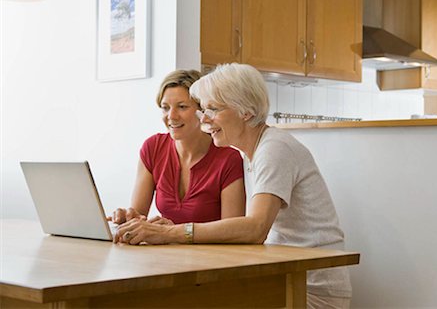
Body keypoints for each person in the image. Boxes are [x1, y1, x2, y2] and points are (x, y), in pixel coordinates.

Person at [114, 64, 352, 308]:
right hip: (283, 280)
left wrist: (171, 233)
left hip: (309, 290)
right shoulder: (255, 152)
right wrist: (170, 230)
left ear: (245, 112)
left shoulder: (274, 150)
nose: (204, 119)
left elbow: (255, 229)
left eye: (213, 109)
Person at [112, 69, 245, 227]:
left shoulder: (229, 159)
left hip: (211, 252)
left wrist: (173, 233)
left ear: (202, 111)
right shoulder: (152, 148)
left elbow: (232, 233)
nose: (171, 116)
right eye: (165, 108)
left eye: (182, 107)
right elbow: (138, 216)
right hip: (164, 251)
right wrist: (127, 217)